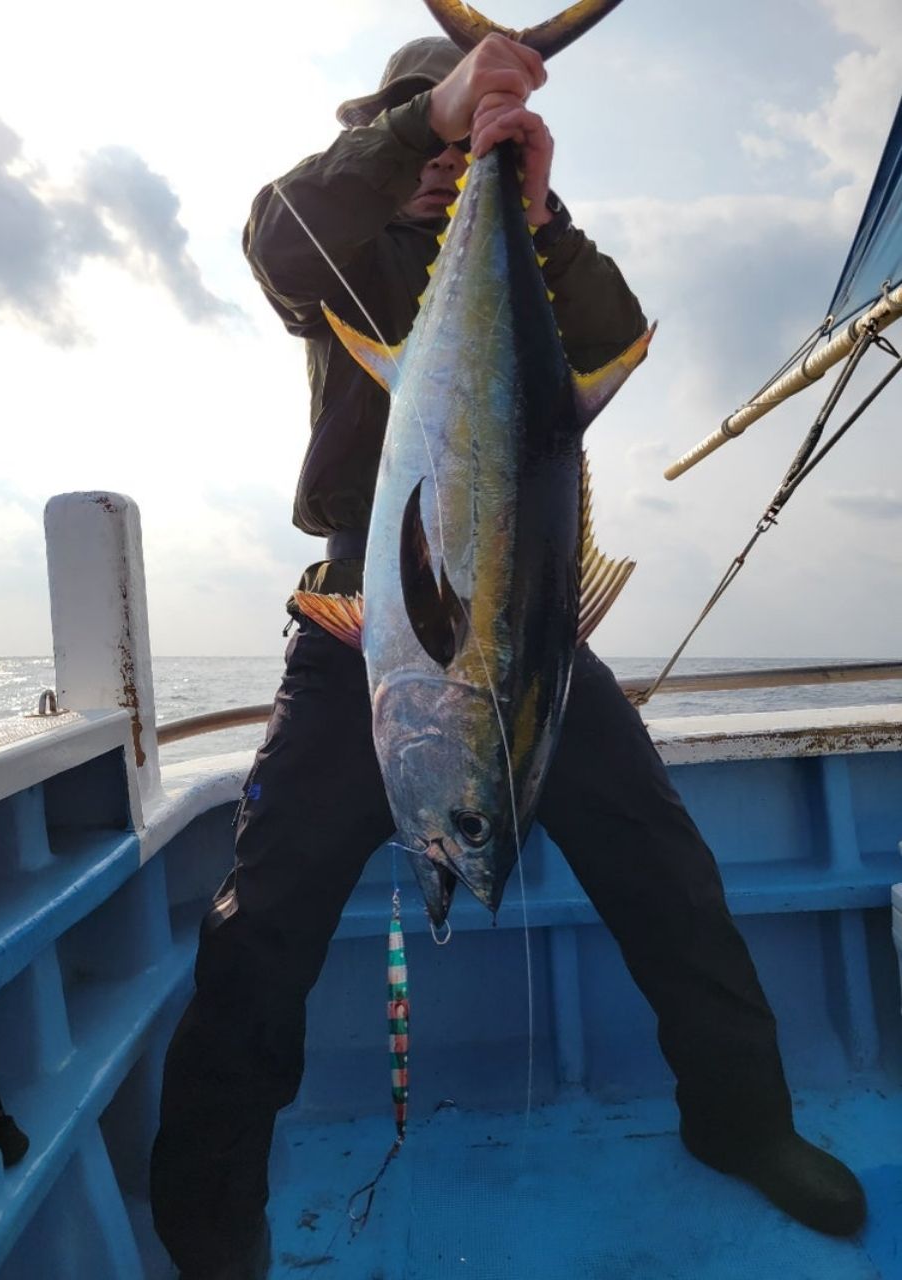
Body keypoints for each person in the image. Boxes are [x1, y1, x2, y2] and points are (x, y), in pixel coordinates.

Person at [151, 33, 866, 1280]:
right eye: (420, 132)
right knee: (257, 924)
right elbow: (276, 237)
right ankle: (208, 1217)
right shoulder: (349, 238)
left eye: (450, 142)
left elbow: (616, 333)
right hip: (363, 628)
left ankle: (742, 1119)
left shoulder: (520, 240)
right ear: (396, 121)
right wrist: (413, 132)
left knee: (667, 870)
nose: (439, 162)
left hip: (516, 623)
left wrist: (533, 204)